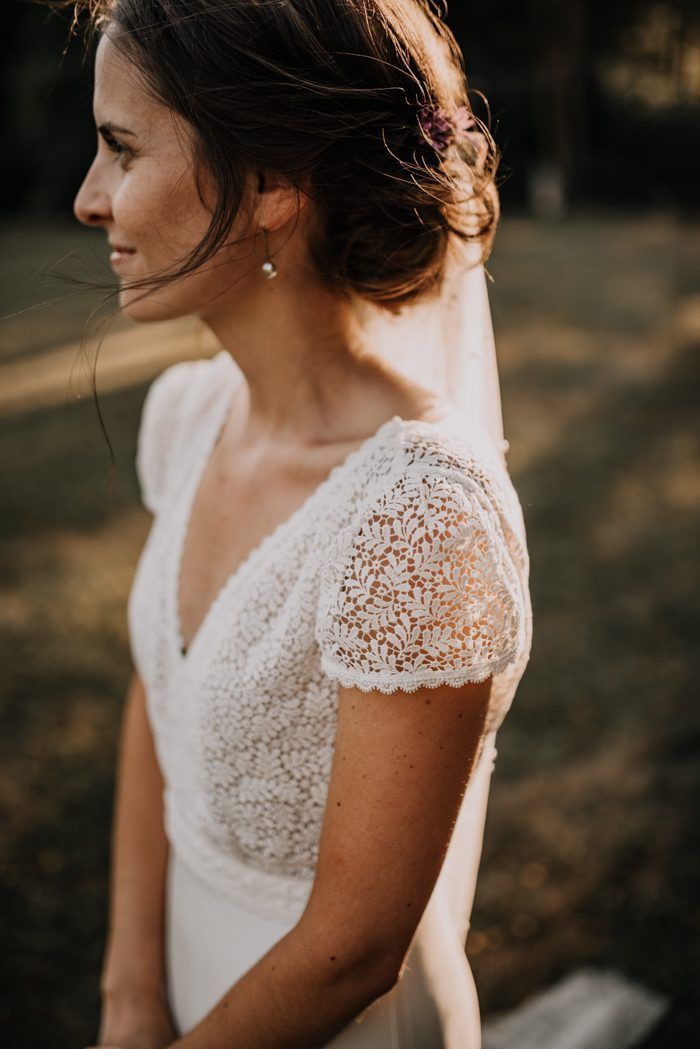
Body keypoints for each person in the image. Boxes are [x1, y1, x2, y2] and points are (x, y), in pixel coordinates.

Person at [67, 1, 533, 1046]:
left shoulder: (419, 514)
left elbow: (358, 943)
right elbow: (165, 697)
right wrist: (130, 993)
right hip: (183, 965)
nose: (88, 199)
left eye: (120, 147)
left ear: (274, 180)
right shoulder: (191, 414)